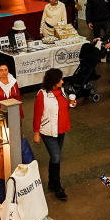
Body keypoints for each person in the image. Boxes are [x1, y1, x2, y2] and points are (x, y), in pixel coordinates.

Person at [33, 68, 71, 201]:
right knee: (56, 156)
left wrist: (72, 104)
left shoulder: (62, 91)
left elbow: (63, 107)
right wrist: (36, 133)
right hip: (48, 131)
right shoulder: (42, 95)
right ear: (54, 82)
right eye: (60, 79)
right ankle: (58, 186)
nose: (62, 81)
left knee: (56, 158)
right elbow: (37, 115)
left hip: (61, 129)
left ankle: (51, 183)